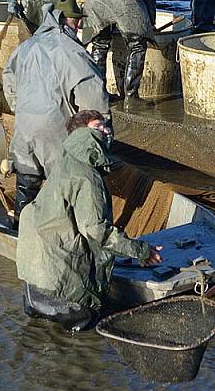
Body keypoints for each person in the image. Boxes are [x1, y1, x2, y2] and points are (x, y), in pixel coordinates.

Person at [16, 109, 163, 330]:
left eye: (105, 126)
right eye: (97, 127)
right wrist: (142, 251)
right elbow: (96, 231)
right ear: (82, 134)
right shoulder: (88, 176)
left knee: (40, 341)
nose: (105, 131)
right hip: (61, 289)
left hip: (33, 282)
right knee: (85, 351)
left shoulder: (66, 162)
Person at [2, 0, 109, 228]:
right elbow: (93, 102)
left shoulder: (27, 46)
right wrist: (103, 133)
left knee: (27, 183)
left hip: (24, 129)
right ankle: (65, 235)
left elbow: (8, 79)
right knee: (64, 187)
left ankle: (19, 231)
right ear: (70, 23)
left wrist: (19, 109)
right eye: (77, 22)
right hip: (55, 130)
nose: (79, 27)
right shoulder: (74, 53)